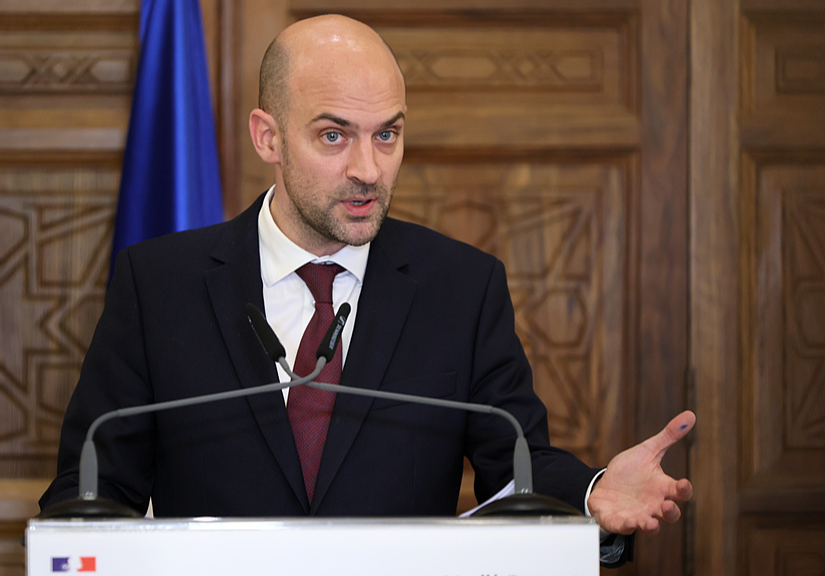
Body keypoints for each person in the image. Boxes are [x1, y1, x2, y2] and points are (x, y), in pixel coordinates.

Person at [40, 14, 694, 565]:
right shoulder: (160, 284)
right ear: (267, 137)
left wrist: (594, 492)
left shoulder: (460, 289)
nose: (368, 169)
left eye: (388, 133)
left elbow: (517, 467)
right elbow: (91, 482)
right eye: (334, 135)